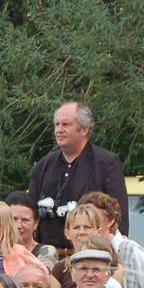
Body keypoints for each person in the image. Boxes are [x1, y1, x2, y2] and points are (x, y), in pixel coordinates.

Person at [26, 101, 129, 249]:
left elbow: (119, 217)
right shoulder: (43, 167)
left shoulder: (106, 164)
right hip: (46, 256)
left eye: (66, 124)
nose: (59, 130)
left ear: (84, 129)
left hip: (91, 255)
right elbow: (29, 215)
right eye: (57, 124)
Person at [75, 191, 144, 288]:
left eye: (94, 215)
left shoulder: (128, 249)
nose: (88, 220)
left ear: (110, 221)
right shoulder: (80, 252)